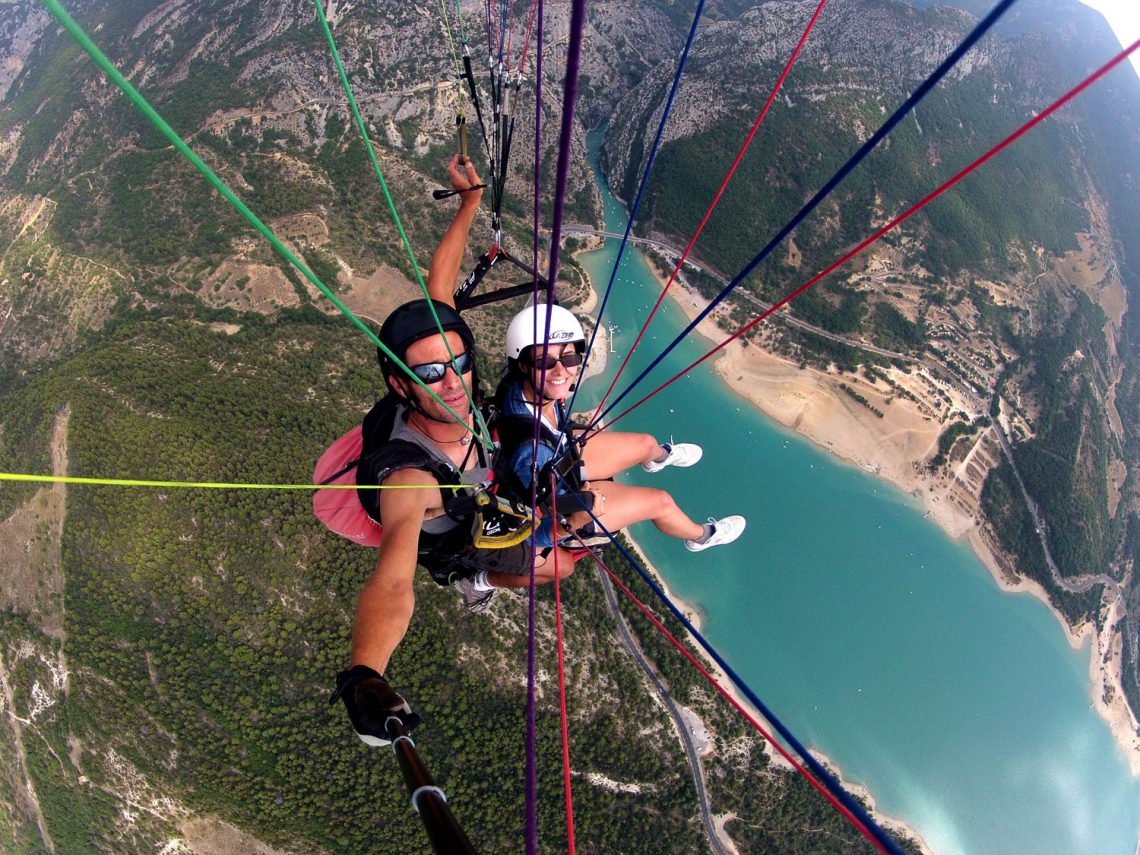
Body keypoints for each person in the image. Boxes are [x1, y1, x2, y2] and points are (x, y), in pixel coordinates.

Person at [331, 157, 579, 747]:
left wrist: (469, 204)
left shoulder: (452, 377)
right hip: (462, 543)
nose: (454, 381)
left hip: (488, 484)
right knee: (563, 564)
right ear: (399, 385)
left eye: (460, 363)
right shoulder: (407, 477)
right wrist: (367, 674)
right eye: (433, 372)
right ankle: (484, 583)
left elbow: (439, 289)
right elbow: (393, 578)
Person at [495, 302, 746, 554]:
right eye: (545, 362)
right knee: (661, 502)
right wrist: (573, 522)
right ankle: (702, 536)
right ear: (523, 365)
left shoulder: (525, 391)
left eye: (569, 358)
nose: (561, 370)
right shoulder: (530, 454)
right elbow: (530, 535)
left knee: (647, 444)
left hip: (558, 458)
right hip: (571, 503)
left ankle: (658, 458)